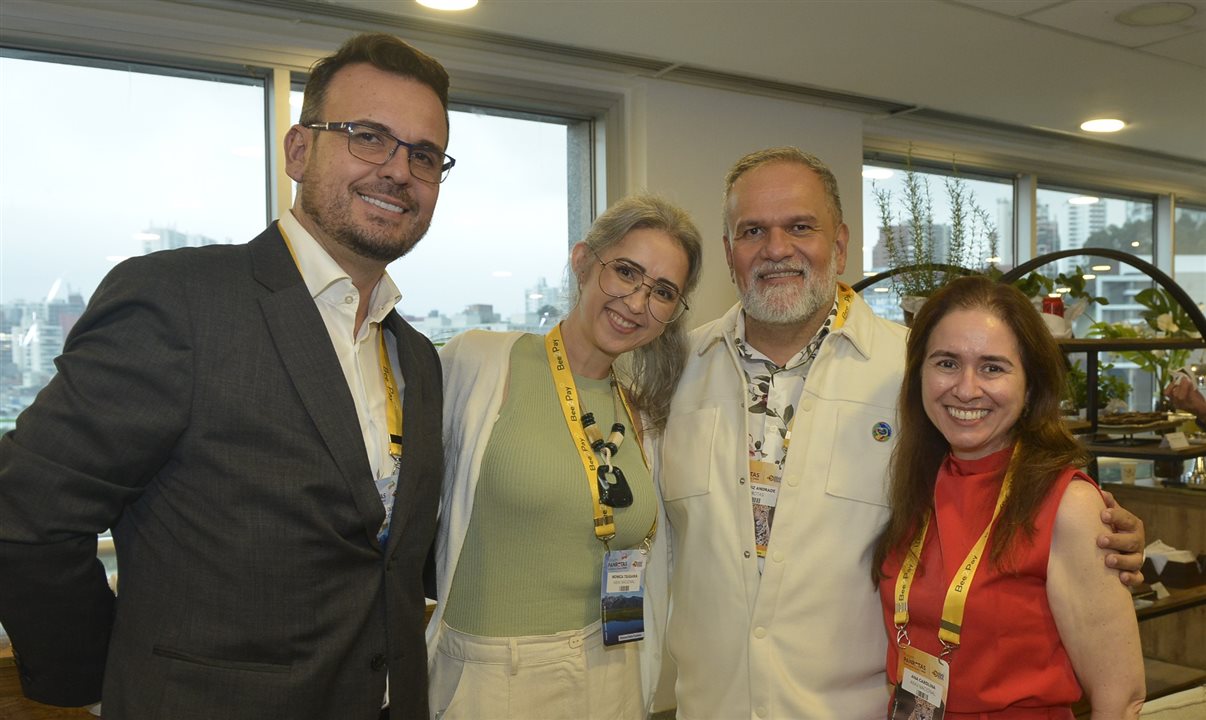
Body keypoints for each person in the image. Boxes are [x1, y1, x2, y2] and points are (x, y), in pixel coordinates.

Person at [0, 33, 450, 720]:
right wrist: (102, 684)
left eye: (424, 155)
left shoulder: (414, 355)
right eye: (367, 137)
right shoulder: (182, 302)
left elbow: (382, 559)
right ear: (299, 151)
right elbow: (24, 516)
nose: (398, 170)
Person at [658, 147, 1147, 719]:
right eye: (752, 230)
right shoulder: (674, 372)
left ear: (839, 245)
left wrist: (1102, 529)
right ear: (728, 251)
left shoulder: (917, 369)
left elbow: (1013, 473)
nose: (777, 248)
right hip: (712, 706)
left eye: (800, 226)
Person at [427, 193, 702, 720]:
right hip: (494, 678)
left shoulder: (643, 415)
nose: (638, 303)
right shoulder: (479, 363)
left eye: (663, 292)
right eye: (626, 271)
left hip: (613, 670)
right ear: (581, 261)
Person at [873, 276, 1145, 719]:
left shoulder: (1068, 505)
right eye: (946, 363)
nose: (965, 388)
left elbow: (1122, 699)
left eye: (992, 367)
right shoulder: (918, 480)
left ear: (1031, 385)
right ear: (919, 372)